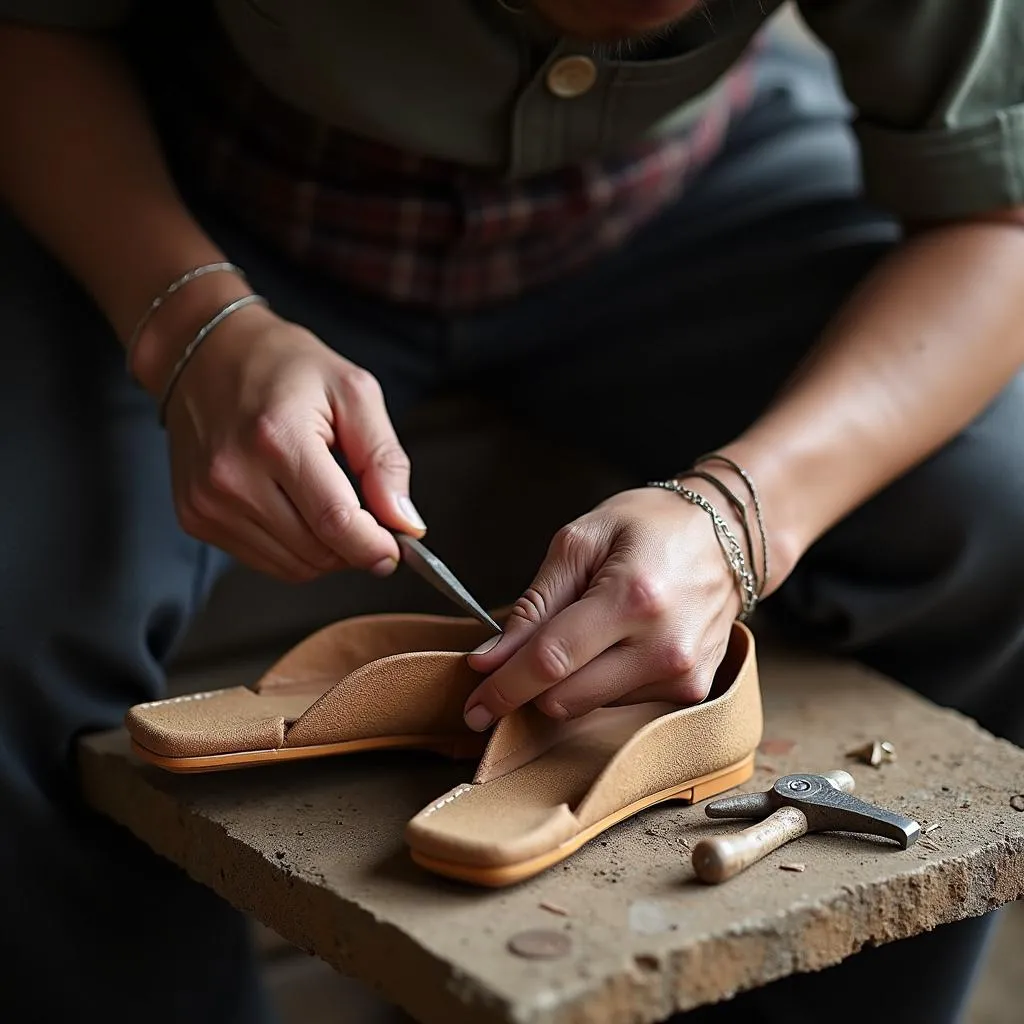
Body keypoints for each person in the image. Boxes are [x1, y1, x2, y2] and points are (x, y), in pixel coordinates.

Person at [1, 1, 1021, 1022]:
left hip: (672, 206)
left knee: (997, 508)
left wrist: (743, 511)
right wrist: (190, 320)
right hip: (201, 190)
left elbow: (1001, 217)